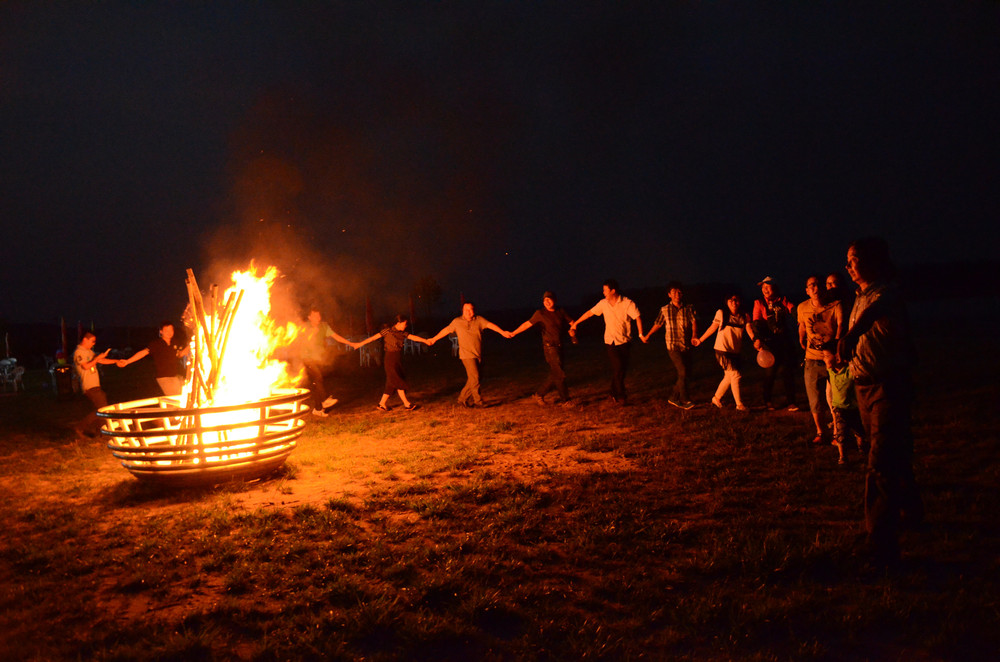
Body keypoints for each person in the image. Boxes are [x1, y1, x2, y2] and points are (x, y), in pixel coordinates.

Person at [838, 236, 923, 567]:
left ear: (873, 260)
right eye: (847, 259)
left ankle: (881, 542)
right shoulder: (858, 297)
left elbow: (875, 315)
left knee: (880, 463)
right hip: (864, 387)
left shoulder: (886, 292)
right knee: (895, 454)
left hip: (889, 387)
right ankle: (912, 512)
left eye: (854, 258)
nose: (848, 265)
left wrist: (852, 334)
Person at [570, 279, 643, 406]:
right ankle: (621, 396)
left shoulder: (627, 303)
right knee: (618, 367)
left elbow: (637, 317)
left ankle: (612, 392)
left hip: (624, 340)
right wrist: (576, 323)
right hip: (610, 341)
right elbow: (589, 313)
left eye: (605, 290)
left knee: (621, 370)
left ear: (613, 291)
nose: (603, 292)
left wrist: (641, 333)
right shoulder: (603, 303)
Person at [426, 302, 511, 407]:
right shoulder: (457, 322)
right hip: (466, 355)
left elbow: (490, 325)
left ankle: (462, 399)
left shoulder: (479, 320)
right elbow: (446, 330)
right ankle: (478, 402)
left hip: (478, 353)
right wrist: (434, 339)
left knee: (475, 378)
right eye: (466, 309)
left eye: (471, 309)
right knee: (475, 377)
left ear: (474, 310)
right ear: (462, 310)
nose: (468, 312)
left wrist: (502, 332)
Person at [797, 275, 843, 444]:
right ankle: (821, 432)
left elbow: (840, 328)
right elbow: (802, 324)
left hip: (831, 358)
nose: (815, 288)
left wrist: (836, 351)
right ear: (807, 291)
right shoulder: (802, 307)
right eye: (811, 285)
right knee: (815, 398)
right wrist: (801, 338)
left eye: (818, 285)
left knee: (834, 399)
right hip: (812, 359)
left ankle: (838, 432)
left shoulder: (836, 306)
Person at [510, 291, 577, 406]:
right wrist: (514, 333)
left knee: (555, 373)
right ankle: (566, 401)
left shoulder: (560, 311)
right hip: (549, 347)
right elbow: (527, 324)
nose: (546, 302)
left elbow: (572, 322)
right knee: (560, 374)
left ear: (554, 300)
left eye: (549, 299)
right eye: (544, 300)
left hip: (560, 346)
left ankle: (539, 394)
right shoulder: (540, 313)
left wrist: (573, 332)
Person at [352, 315, 429, 411]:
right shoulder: (387, 331)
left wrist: (425, 340)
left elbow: (413, 337)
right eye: (404, 324)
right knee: (397, 379)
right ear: (398, 323)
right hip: (390, 358)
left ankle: (381, 404)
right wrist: (359, 344)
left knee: (391, 383)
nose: (406, 326)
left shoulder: (402, 333)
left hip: (397, 358)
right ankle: (407, 404)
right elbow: (372, 338)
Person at [642, 281, 698, 409]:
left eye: (679, 292)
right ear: (669, 295)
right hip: (672, 345)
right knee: (683, 371)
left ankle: (673, 397)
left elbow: (694, 322)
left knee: (686, 373)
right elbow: (658, 323)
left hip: (686, 344)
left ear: (682, 293)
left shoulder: (689, 308)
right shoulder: (664, 310)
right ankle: (685, 400)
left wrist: (694, 335)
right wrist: (648, 335)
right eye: (674, 292)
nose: (677, 294)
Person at [693, 294, 753, 411]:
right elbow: (712, 327)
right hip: (722, 349)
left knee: (728, 377)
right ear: (727, 302)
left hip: (735, 351)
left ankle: (716, 398)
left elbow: (749, 330)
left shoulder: (745, 316)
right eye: (731, 300)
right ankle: (739, 404)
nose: (734, 302)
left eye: (736, 300)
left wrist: (756, 341)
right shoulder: (721, 313)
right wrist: (700, 340)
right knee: (736, 375)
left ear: (740, 302)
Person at [752, 276, 799, 411]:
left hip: (784, 341)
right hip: (769, 343)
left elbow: (794, 310)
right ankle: (767, 401)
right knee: (770, 373)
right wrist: (757, 338)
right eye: (763, 288)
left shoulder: (783, 300)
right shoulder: (759, 303)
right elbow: (757, 322)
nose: (765, 290)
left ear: (775, 287)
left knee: (787, 372)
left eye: (767, 286)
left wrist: (801, 321)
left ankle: (791, 402)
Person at [301, 307, 353, 418]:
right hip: (306, 358)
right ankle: (324, 400)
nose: (318, 318)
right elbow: (302, 340)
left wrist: (350, 343)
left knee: (317, 383)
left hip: (318, 357)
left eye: (319, 315)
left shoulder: (324, 326)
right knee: (318, 377)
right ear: (309, 317)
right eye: (315, 316)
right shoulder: (305, 326)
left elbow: (336, 337)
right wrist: (312, 334)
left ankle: (317, 409)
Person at [116, 321, 190, 396]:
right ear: (161, 332)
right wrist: (127, 361)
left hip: (175, 376)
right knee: (175, 399)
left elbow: (179, 355)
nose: (169, 332)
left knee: (183, 396)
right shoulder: (156, 344)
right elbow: (143, 352)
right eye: (166, 331)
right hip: (164, 377)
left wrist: (191, 345)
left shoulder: (175, 342)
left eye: (171, 330)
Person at [72, 331, 119, 439]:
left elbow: (100, 361)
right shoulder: (79, 352)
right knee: (103, 409)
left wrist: (116, 361)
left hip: (95, 384)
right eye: (92, 341)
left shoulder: (89, 351)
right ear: (85, 339)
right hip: (89, 385)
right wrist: (97, 358)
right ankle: (81, 427)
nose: (94, 343)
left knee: (101, 408)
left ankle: (99, 431)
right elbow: (86, 366)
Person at [822, 349, 865, 465]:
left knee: (859, 430)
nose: (823, 358)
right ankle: (843, 457)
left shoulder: (849, 371)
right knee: (841, 434)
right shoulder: (830, 372)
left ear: (837, 357)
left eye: (826, 356)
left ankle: (862, 448)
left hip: (853, 408)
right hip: (839, 409)